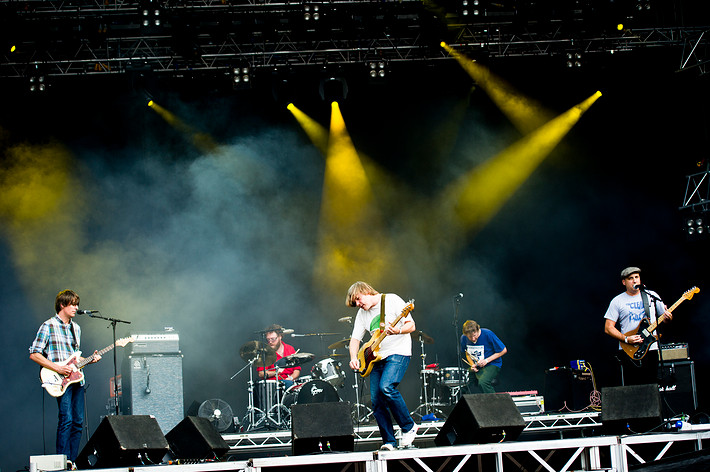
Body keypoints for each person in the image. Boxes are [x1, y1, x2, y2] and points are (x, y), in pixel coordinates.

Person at [29, 289, 101, 464]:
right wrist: (58, 368)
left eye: (77, 305)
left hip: (76, 379)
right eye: (73, 304)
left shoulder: (76, 328)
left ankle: (71, 461)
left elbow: (75, 358)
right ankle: (61, 461)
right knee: (66, 419)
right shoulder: (48, 326)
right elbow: (34, 354)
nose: (76, 308)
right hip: (59, 380)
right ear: (62, 304)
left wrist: (90, 359)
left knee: (78, 421)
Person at [347, 281, 418, 451]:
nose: (358, 304)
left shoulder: (391, 300)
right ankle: (389, 441)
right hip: (375, 358)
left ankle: (409, 426)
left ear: (365, 291)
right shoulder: (361, 314)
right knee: (377, 401)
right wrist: (353, 358)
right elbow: (355, 340)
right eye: (355, 303)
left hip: (398, 352)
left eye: (358, 299)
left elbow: (411, 325)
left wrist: (398, 331)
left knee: (386, 387)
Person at [604, 266, 672, 386]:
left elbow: (664, 318)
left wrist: (668, 318)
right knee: (633, 386)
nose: (635, 281)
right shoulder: (617, 301)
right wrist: (626, 339)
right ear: (624, 282)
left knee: (652, 386)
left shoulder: (651, 296)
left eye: (637, 277)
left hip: (651, 348)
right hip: (629, 350)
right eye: (631, 278)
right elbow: (608, 327)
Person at [460, 320, 507, 394]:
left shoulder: (488, 334)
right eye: (470, 337)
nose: (473, 339)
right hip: (476, 365)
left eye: (474, 335)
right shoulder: (463, 338)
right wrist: (472, 364)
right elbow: (467, 353)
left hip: (492, 364)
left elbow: (503, 350)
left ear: (478, 330)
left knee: (483, 383)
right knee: (462, 382)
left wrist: (486, 361)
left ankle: (494, 403)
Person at [256, 324, 301, 390]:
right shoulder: (265, 353)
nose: (270, 342)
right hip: (273, 386)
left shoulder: (290, 349)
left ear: (280, 336)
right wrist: (276, 372)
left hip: (290, 383)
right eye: (268, 340)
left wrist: (290, 378)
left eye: (273, 339)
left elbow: (297, 370)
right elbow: (261, 373)